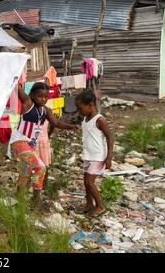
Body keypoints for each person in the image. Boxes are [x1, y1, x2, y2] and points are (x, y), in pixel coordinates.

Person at [10, 82, 79, 209]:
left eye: (46, 96)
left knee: (25, 172)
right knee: (40, 167)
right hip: (19, 142)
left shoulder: (45, 111)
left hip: (29, 144)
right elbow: (17, 89)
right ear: (31, 95)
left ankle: (17, 198)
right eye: (40, 96)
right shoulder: (28, 104)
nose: (44, 99)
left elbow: (56, 122)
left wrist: (71, 127)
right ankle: (36, 201)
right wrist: (12, 76)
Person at [75, 89, 114, 218]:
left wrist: (109, 157)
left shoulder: (99, 119)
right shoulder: (86, 119)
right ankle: (89, 204)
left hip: (98, 156)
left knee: (89, 181)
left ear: (90, 105)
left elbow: (110, 137)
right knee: (86, 182)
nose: (78, 111)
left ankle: (100, 206)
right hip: (89, 156)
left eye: (80, 108)